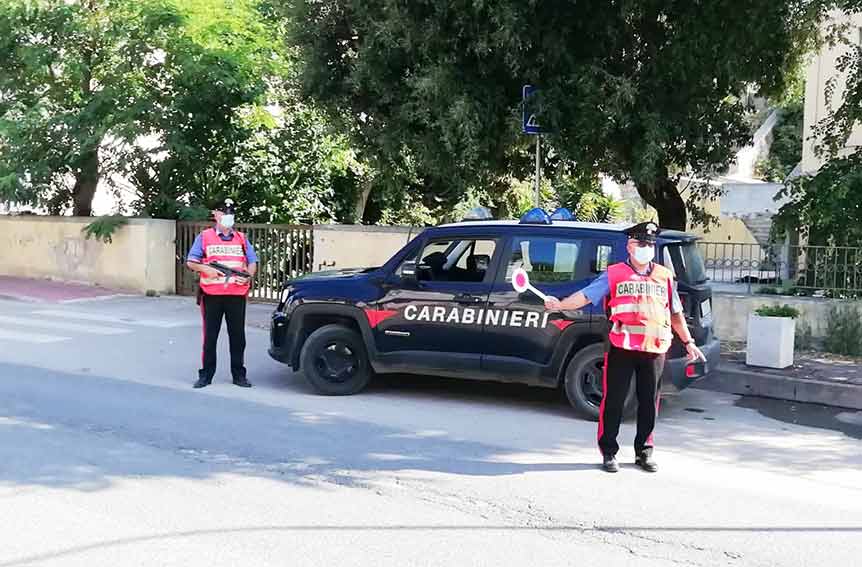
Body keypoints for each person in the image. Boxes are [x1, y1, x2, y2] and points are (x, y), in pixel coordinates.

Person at [544, 221, 705, 473]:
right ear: (629, 246)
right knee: (614, 400)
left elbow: (675, 313)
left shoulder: (664, 276)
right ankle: (609, 451)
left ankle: (644, 452)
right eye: (641, 243)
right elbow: (586, 296)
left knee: (649, 402)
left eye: (650, 244)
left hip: (654, 348)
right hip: (622, 346)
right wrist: (560, 305)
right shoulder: (614, 273)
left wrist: (689, 342)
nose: (646, 248)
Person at [186, 199, 258, 389]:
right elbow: (191, 261)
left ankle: (239, 375)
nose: (228, 217)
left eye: (231, 213)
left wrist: (248, 276)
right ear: (215, 215)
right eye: (224, 213)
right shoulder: (204, 237)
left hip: (236, 294)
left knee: (238, 337)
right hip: (212, 295)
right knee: (210, 337)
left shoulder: (241, 238)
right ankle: (206, 375)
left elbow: (252, 261)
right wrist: (206, 269)